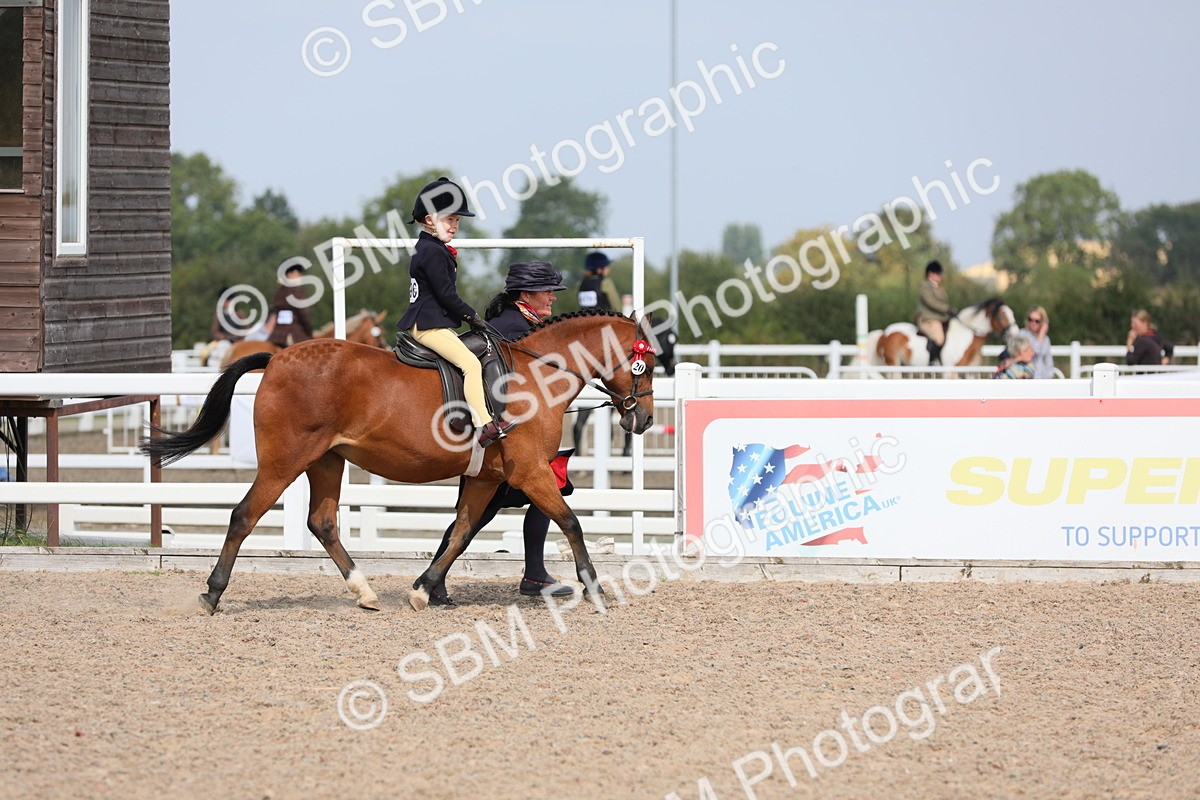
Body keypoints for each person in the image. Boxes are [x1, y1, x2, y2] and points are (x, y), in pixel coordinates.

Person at [427, 261, 575, 604]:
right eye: (547, 291)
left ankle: (534, 574)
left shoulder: (525, 323)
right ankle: (436, 577)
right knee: (475, 515)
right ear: (526, 294)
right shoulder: (510, 328)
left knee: (545, 489)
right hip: (498, 439)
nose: (552, 297)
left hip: (512, 434)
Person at [396, 177, 510, 447]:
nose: (455, 226)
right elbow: (446, 295)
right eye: (449, 220)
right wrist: (472, 316)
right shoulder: (432, 252)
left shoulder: (431, 248)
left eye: (457, 221)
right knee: (470, 364)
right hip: (428, 325)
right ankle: (483, 425)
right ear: (428, 219)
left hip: (432, 322)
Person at [916, 261, 956, 365]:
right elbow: (932, 302)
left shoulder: (939, 287)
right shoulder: (926, 287)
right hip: (928, 319)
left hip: (941, 318)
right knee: (939, 339)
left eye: (940, 273)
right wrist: (947, 309)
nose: (940, 276)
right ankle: (933, 361)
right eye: (937, 273)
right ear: (930, 274)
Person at [267, 263, 314, 348]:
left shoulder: (278, 292)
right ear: (289, 274)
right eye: (297, 272)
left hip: (277, 335)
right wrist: (309, 333)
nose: (300, 275)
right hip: (293, 333)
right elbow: (304, 315)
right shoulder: (296, 291)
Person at [1020, 305, 1055, 378]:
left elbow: (1049, 362)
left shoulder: (1046, 339)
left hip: (1043, 380)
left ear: (1042, 322)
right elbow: (1035, 351)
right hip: (1027, 379)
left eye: (1037, 321)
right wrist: (1041, 334)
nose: (1033, 323)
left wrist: (1049, 375)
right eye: (1030, 319)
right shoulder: (1022, 335)